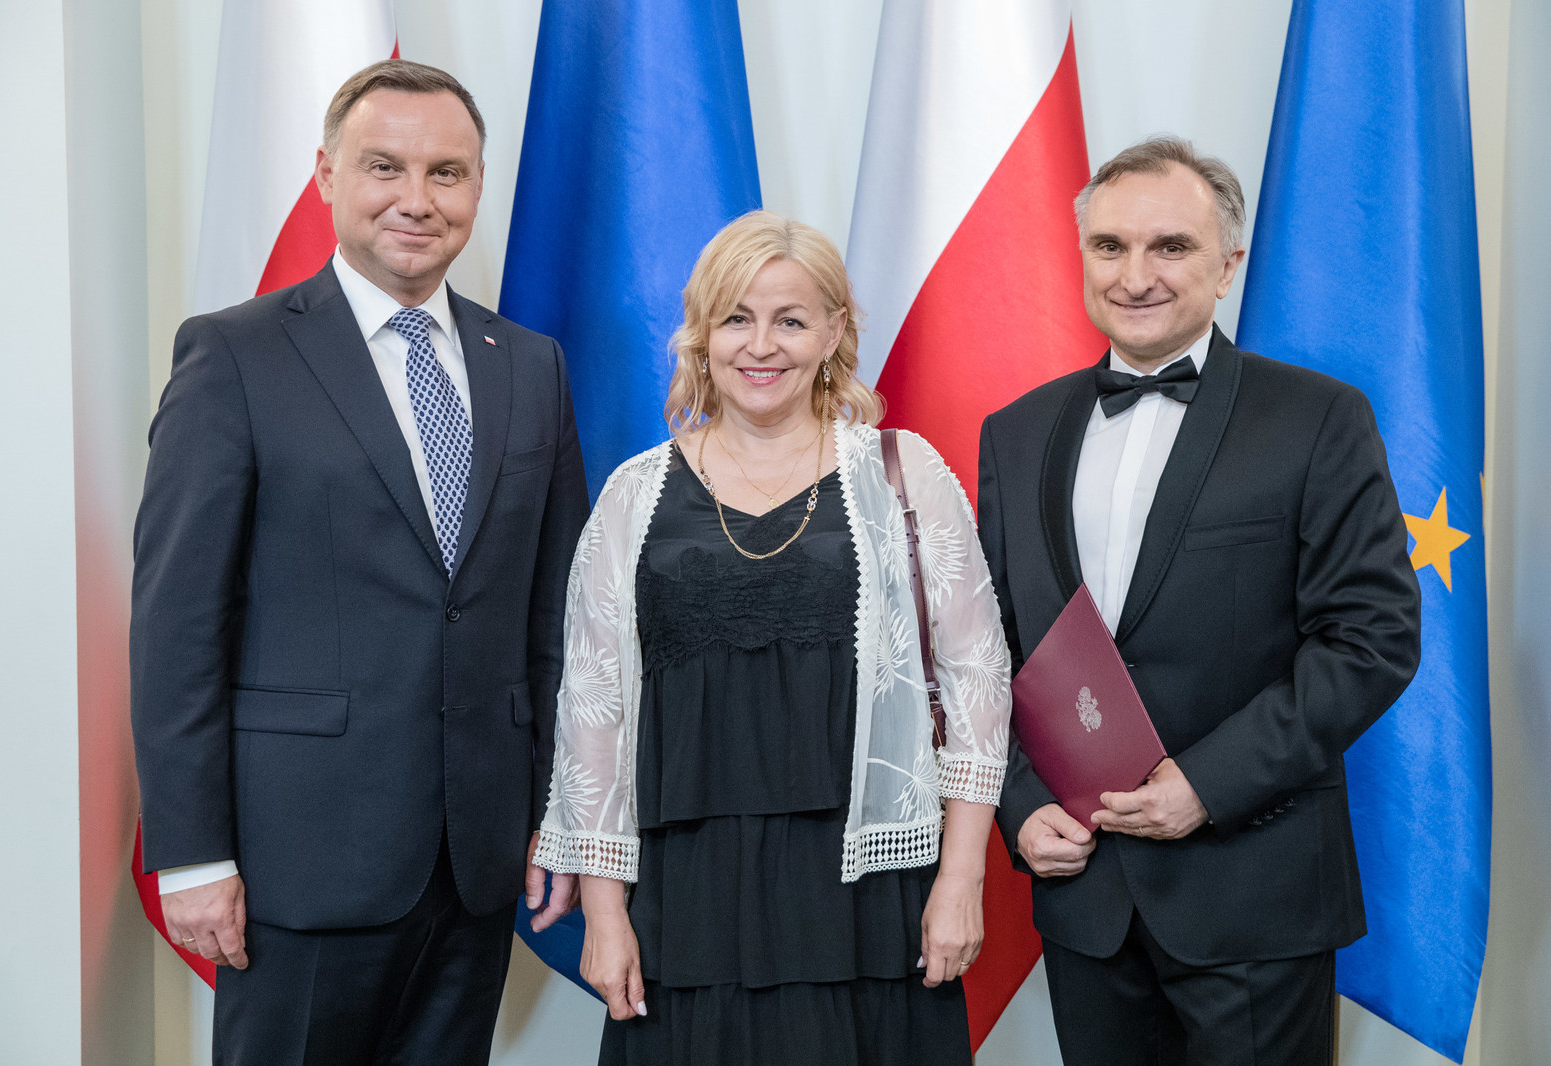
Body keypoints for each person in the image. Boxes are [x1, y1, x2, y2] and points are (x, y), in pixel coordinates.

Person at [130, 59, 588, 1064]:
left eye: (446, 172)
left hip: (477, 860)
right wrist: (192, 853)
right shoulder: (234, 357)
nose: (417, 199)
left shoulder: (532, 366)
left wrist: (560, 811)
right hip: (297, 861)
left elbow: (556, 620)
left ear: (477, 186)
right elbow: (178, 626)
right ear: (327, 174)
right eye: (385, 166)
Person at [977, 136, 1422, 1065]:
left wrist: (1209, 785)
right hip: (1084, 896)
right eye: (1110, 247)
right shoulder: (1015, 432)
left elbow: (1372, 638)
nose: (1135, 275)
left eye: (1170, 247)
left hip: (1255, 890)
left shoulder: (1319, 418)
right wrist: (1018, 805)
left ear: (1227, 267)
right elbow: (989, 650)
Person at [534, 210, 1011, 1065]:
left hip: (869, 894)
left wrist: (961, 878)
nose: (762, 345)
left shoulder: (903, 473)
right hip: (685, 895)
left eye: (790, 320)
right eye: (736, 319)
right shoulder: (634, 495)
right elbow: (593, 717)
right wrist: (603, 914)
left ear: (833, 332)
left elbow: (979, 683)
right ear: (701, 333)